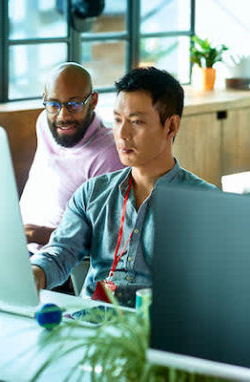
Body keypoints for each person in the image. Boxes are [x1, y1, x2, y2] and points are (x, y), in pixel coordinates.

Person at [30, 66, 217, 307]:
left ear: (170, 126)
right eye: (117, 120)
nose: (122, 134)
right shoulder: (92, 193)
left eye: (136, 122)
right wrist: (36, 272)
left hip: (157, 332)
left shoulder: (205, 203)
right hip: (91, 324)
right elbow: (61, 251)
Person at [19, 63, 124, 253]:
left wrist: (36, 234)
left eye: (74, 105)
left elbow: (105, 238)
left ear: (93, 101)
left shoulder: (109, 153)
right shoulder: (44, 122)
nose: (63, 116)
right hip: (17, 243)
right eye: (53, 104)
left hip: (58, 262)